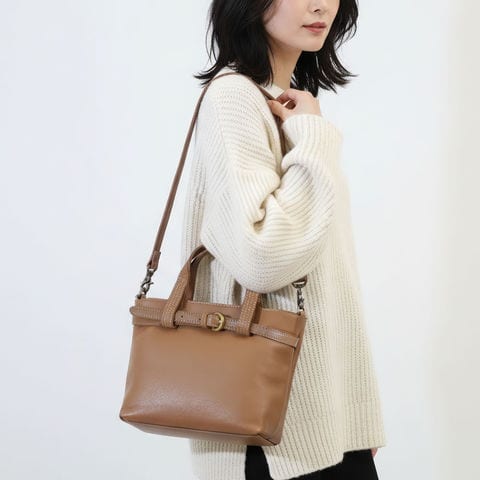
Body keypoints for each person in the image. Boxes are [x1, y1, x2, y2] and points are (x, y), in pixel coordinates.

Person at [180, 0, 387, 479]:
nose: (320, 5)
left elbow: (330, 276)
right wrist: (312, 135)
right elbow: (264, 258)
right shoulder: (234, 97)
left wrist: (354, 415)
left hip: (319, 424)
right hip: (272, 438)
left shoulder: (286, 101)